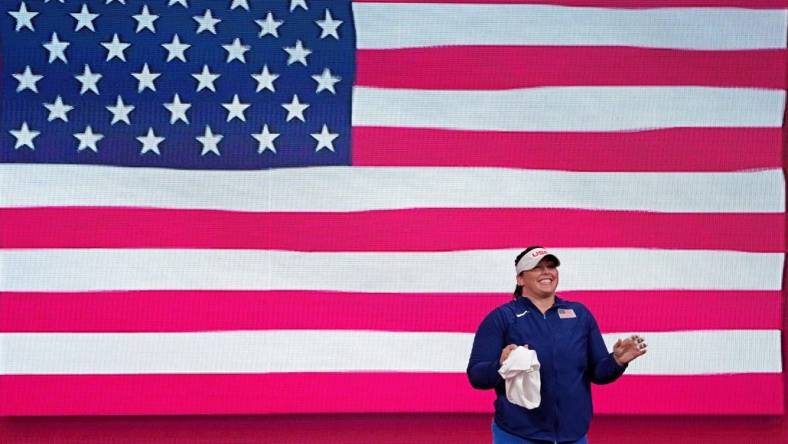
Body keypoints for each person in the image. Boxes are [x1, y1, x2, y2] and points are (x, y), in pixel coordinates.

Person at [467, 246, 647, 444]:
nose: (546, 272)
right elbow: (476, 376)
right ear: (520, 279)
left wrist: (617, 361)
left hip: (573, 435)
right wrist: (501, 365)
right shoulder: (501, 318)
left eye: (551, 266)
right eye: (537, 268)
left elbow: (599, 373)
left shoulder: (579, 315)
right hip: (517, 434)